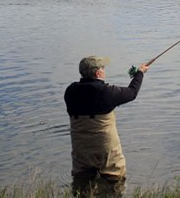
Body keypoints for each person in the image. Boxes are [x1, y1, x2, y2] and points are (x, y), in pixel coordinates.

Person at [64, 56, 149, 197]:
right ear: (98, 73)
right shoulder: (107, 92)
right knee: (114, 180)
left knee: (81, 183)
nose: (104, 71)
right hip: (106, 152)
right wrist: (140, 73)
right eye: (103, 68)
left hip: (82, 151)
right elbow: (132, 92)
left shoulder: (70, 92)